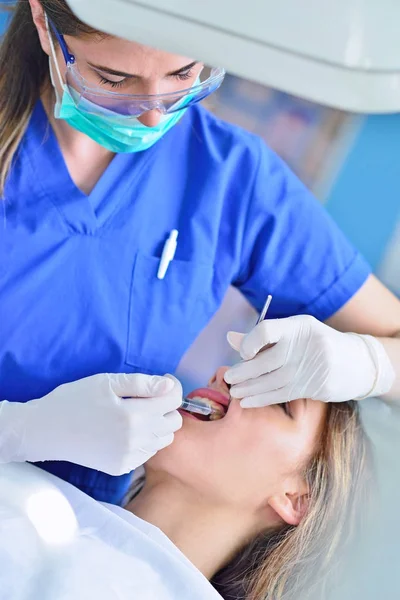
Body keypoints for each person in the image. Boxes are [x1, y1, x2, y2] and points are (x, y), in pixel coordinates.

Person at [0, 0, 397, 505]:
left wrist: (367, 363)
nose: (151, 114)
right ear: (42, 22)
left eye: (183, 71)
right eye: (113, 78)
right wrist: (18, 430)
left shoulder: (230, 178)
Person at [0, 368, 370, 600]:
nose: (224, 374)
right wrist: (18, 428)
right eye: (247, 367)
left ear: (295, 499)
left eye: (279, 400)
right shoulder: (42, 498)